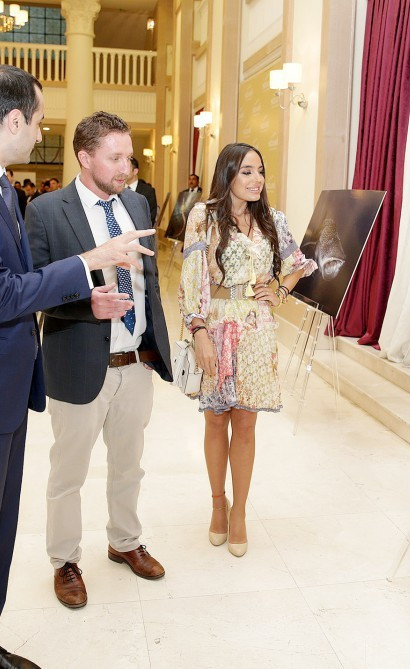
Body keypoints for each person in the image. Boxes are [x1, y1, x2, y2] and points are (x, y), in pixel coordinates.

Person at [0, 64, 155, 669]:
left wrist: (83, 295)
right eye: (40, 120)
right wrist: (90, 260)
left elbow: (22, 283)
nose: (42, 132)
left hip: (3, 390)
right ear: (14, 119)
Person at [26, 111, 173, 609]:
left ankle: (125, 541)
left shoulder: (136, 202)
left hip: (134, 363)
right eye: (115, 158)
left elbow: (150, 282)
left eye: (129, 157)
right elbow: (33, 288)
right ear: (85, 157)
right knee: (68, 473)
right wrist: (85, 304)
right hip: (77, 363)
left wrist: (154, 347)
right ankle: (65, 560)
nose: (126, 168)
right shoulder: (47, 211)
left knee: (129, 465)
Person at [178, 143, 315, 557]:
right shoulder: (203, 216)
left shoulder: (273, 219)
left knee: (246, 424)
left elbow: (298, 264)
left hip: (257, 328)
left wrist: (279, 291)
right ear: (228, 174)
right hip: (215, 323)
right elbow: (191, 278)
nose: (257, 180)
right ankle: (218, 504)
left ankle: (239, 512)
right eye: (247, 171)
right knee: (216, 419)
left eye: (260, 171)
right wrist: (198, 330)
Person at [166, 173, 202, 241]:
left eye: (193, 179)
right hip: (184, 219)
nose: (191, 181)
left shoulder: (201, 192)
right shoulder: (184, 193)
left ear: (198, 181)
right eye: (190, 179)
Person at [127, 157, 158, 224]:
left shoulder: (148, 191)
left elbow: (151, 217)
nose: (123, 172)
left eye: (126, 169)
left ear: (135, 171)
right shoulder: (117, 190)